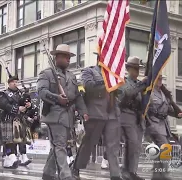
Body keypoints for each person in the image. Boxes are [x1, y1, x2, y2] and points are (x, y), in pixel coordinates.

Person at [37, 44, 88, 180]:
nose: (68, 60)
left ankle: (47, 174)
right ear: (57, 57)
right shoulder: (46, 73)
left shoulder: (72, 76)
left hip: (68, 116)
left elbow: (78, 96)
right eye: (65, 57)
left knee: (57, 146)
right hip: (54, 115)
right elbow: (41, 92)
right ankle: (66, 176)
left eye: (69, 57)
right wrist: (57, 98)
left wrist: (84, 112)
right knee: (60, 145)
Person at [71, 57, 121, 180]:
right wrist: (107, 80)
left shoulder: (114, 74)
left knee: (112, 145)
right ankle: (76, 168)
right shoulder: (89, 71)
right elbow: (88, 86)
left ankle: (115, 175)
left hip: (112, 113)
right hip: (96, 112)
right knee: (88, 143)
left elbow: (119, 92)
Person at [145, 74, 182, 180]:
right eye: (158, 79)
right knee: (165, 147)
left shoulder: (164, 94)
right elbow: (144, 110)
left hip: (164, 125)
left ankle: (156, 176)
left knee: (158, 152)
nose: (160, 81)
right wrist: (148, 124)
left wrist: (177, 114)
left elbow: (168, 109)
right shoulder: (149, 92)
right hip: (153, 124)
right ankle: (165, 174)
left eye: (161, 79)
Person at [117, 57, 146, 180]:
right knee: (132, 143)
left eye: (138, 68)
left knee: (136, 145)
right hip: (126, 114)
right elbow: (128, 94)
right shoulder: (123, 81)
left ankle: (132, 171)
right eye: (134, 68)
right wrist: (142, 84)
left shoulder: (138, 84)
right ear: (128, 69)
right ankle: (125, 170)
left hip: (137, 117)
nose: (137, 71)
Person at [0, 72, 24, 169]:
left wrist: (27, 105)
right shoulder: (4, 94)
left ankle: (9, 160)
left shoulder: (20, 94)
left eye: (17, 82)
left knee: (15, 141)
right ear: (9, 83)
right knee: (8, 140)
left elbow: (24, 105)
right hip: (7, 119)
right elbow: (4, 105)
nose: (16, 84)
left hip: (17, 120)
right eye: (13, 82)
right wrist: (17, 109)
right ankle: (11, 157)